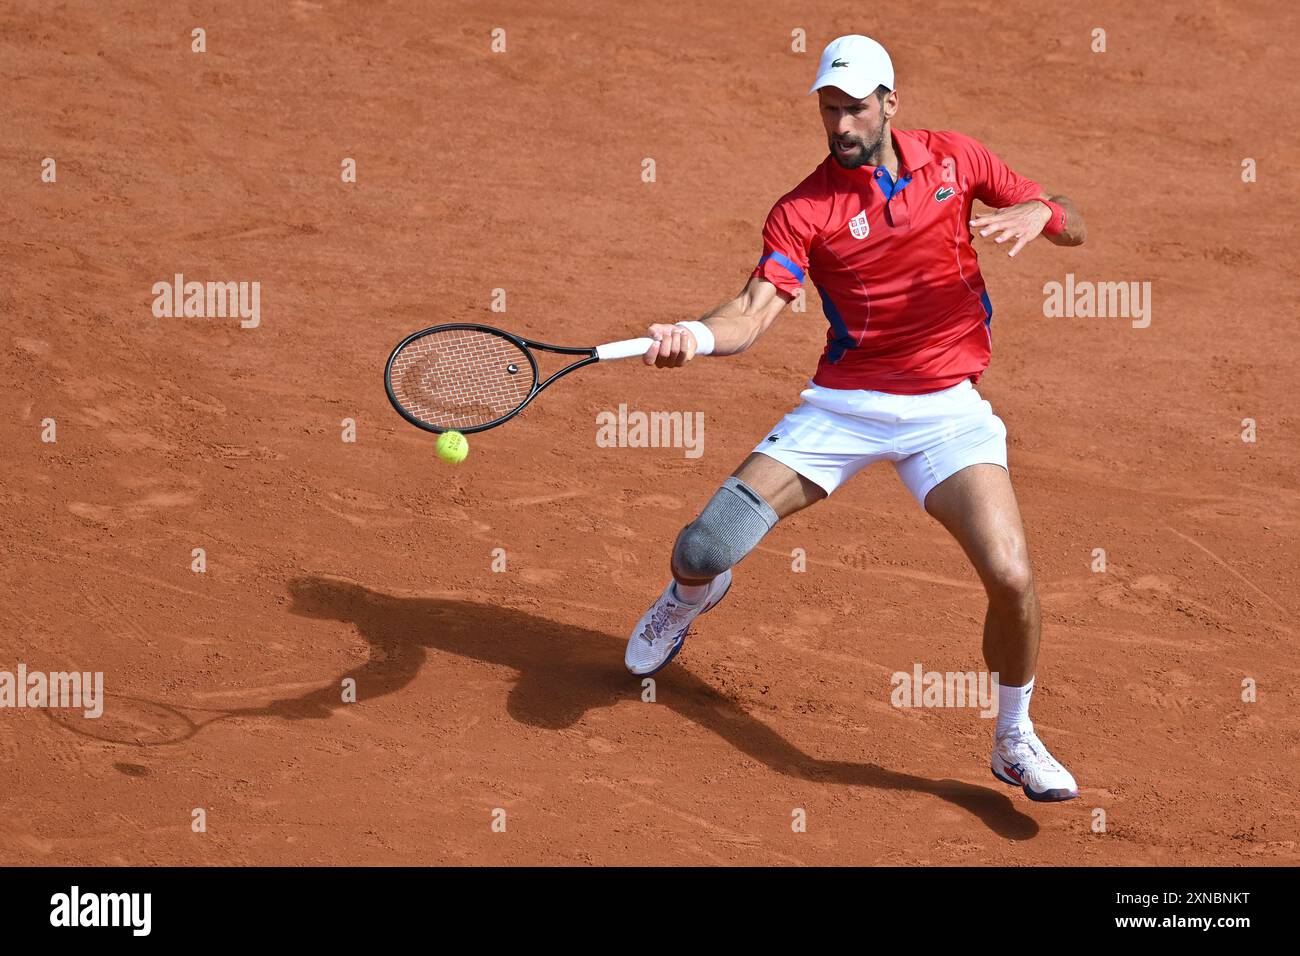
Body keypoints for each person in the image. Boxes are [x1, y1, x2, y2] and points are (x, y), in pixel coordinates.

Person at [624, 34, 1087, 802]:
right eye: (828, 110)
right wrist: (694, 337)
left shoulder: (957, 160)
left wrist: (1040, 212)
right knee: (703, 547)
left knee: (1011, 576)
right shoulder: (805, 209)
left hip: (946, 412)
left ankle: (1014, 738)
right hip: (846, 408)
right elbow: (750, 312)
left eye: (853, 109)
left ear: (889, 104)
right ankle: (687, 599)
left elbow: (1073, 220)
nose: (839, 126)